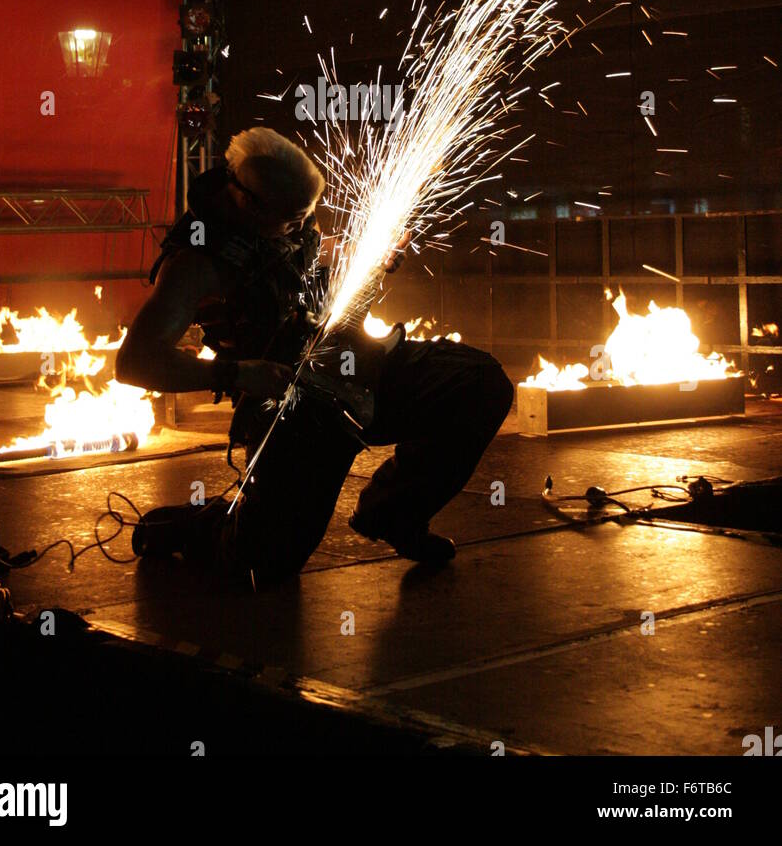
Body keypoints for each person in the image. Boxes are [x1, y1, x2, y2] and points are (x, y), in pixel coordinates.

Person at [116, 127, 513, 588]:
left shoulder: (287, 226)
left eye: (304, 219)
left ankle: (395, 515)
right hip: (298, 410)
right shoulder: (194, 264)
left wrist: (371, 266)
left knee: (480, 383)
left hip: (358, 371)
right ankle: (196, 525)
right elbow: (134, 363)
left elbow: (316, 290)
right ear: (248, 203)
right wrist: (239, 373)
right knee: (264, 566)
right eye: (290, 220)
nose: (300, 228)